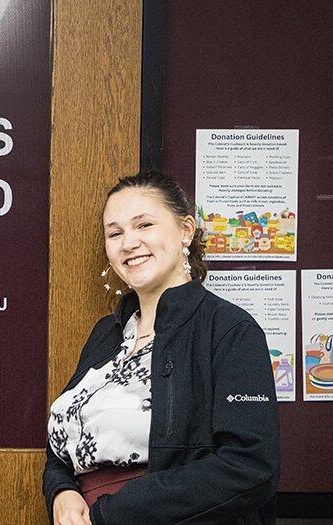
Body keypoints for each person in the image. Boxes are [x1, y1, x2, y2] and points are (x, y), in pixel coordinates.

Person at [43, 170, 279, 525]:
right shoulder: (106, 335)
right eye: (115, 232)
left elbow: (249, 466)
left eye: (144, 225)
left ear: (186, 231)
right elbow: (63, 443)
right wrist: (61, 492)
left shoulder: (230, 330)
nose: (128, 243)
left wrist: (113, 513)